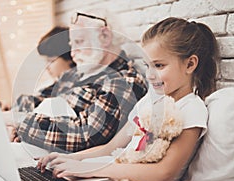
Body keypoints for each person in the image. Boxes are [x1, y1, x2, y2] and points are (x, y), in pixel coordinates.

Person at [37, 17, 219, 181]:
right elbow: (112, 147)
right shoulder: (149, 102)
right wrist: (72, 160)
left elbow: (163, 175)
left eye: (159, 66)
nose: (150, 75)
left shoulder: (191, 109)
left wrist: (92, 169)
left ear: (190, 64)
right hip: (116, 176)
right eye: (147, 66)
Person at [10, 10, 147, 153]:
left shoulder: (123, 82)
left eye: (79, 42)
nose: (72, 53)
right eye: (71, 44)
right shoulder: (79, 74)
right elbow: (39, 99)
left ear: (105, 37)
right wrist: (10, 116)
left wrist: (21, 123)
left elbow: (85, 136)